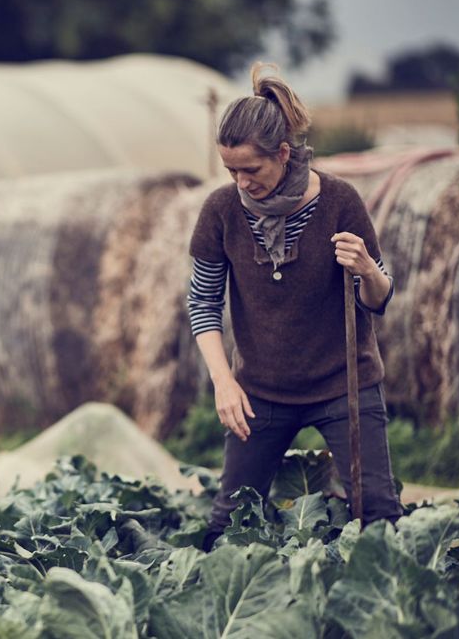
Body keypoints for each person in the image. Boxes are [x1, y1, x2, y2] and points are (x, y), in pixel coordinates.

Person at [188, 63, 403, 551]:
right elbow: (202, 300)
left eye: (252, 169)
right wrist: (224, 381)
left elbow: (381, 298)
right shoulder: (220, 212)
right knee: (227, 528)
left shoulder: (340, 201)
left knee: (379, 520)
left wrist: (367, 268)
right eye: (231, 171)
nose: (241, 182)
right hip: (261, 392)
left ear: (283, 154)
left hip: (343, 384)